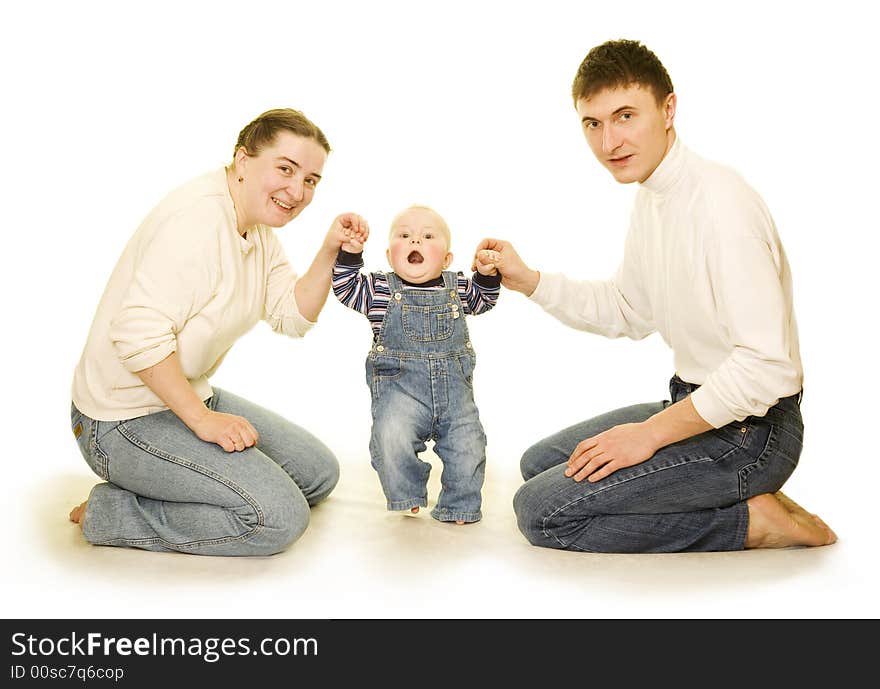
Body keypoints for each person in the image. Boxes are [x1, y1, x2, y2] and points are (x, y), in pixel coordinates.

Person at [476, 40, 837, 552]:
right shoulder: (653, 196)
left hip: (754, 435)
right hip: (693, 401)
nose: (609, 142)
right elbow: (629, 309)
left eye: (625, 116)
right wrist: (530, 280)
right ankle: (715, 496)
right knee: (542, 464)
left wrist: (648, 436)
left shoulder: (722, 205)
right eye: (592, 124)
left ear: (668, 109)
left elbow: (767, 368)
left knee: (543, 513)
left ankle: (753, 522)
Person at [68, 108, 369, 556]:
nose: (297, 190)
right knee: (278, 518)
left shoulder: (255, 227)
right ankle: (112, 512)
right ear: (243, 161)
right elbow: (136, 336)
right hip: (118, 420)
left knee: (317, 473)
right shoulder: (196, 223)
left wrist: (329, 252)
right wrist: (204, 421)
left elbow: (291, 315)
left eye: (310, 180)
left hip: (182, 394)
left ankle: (191, 481)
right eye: (285, 169)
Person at [331, 205, 501, 524]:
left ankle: (459, 504)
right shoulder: (379, 290)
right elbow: (345, 288)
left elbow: (484, 299)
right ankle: (407, 493)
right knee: (390, 437)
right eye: (405, 235)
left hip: (456, 399)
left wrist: (486, 274)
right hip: (401, 395)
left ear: (447, 259)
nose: (415, 242)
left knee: (470, 447)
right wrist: (351, 254)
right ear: (389, 253)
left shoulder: (458, 288)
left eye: (427, 236)